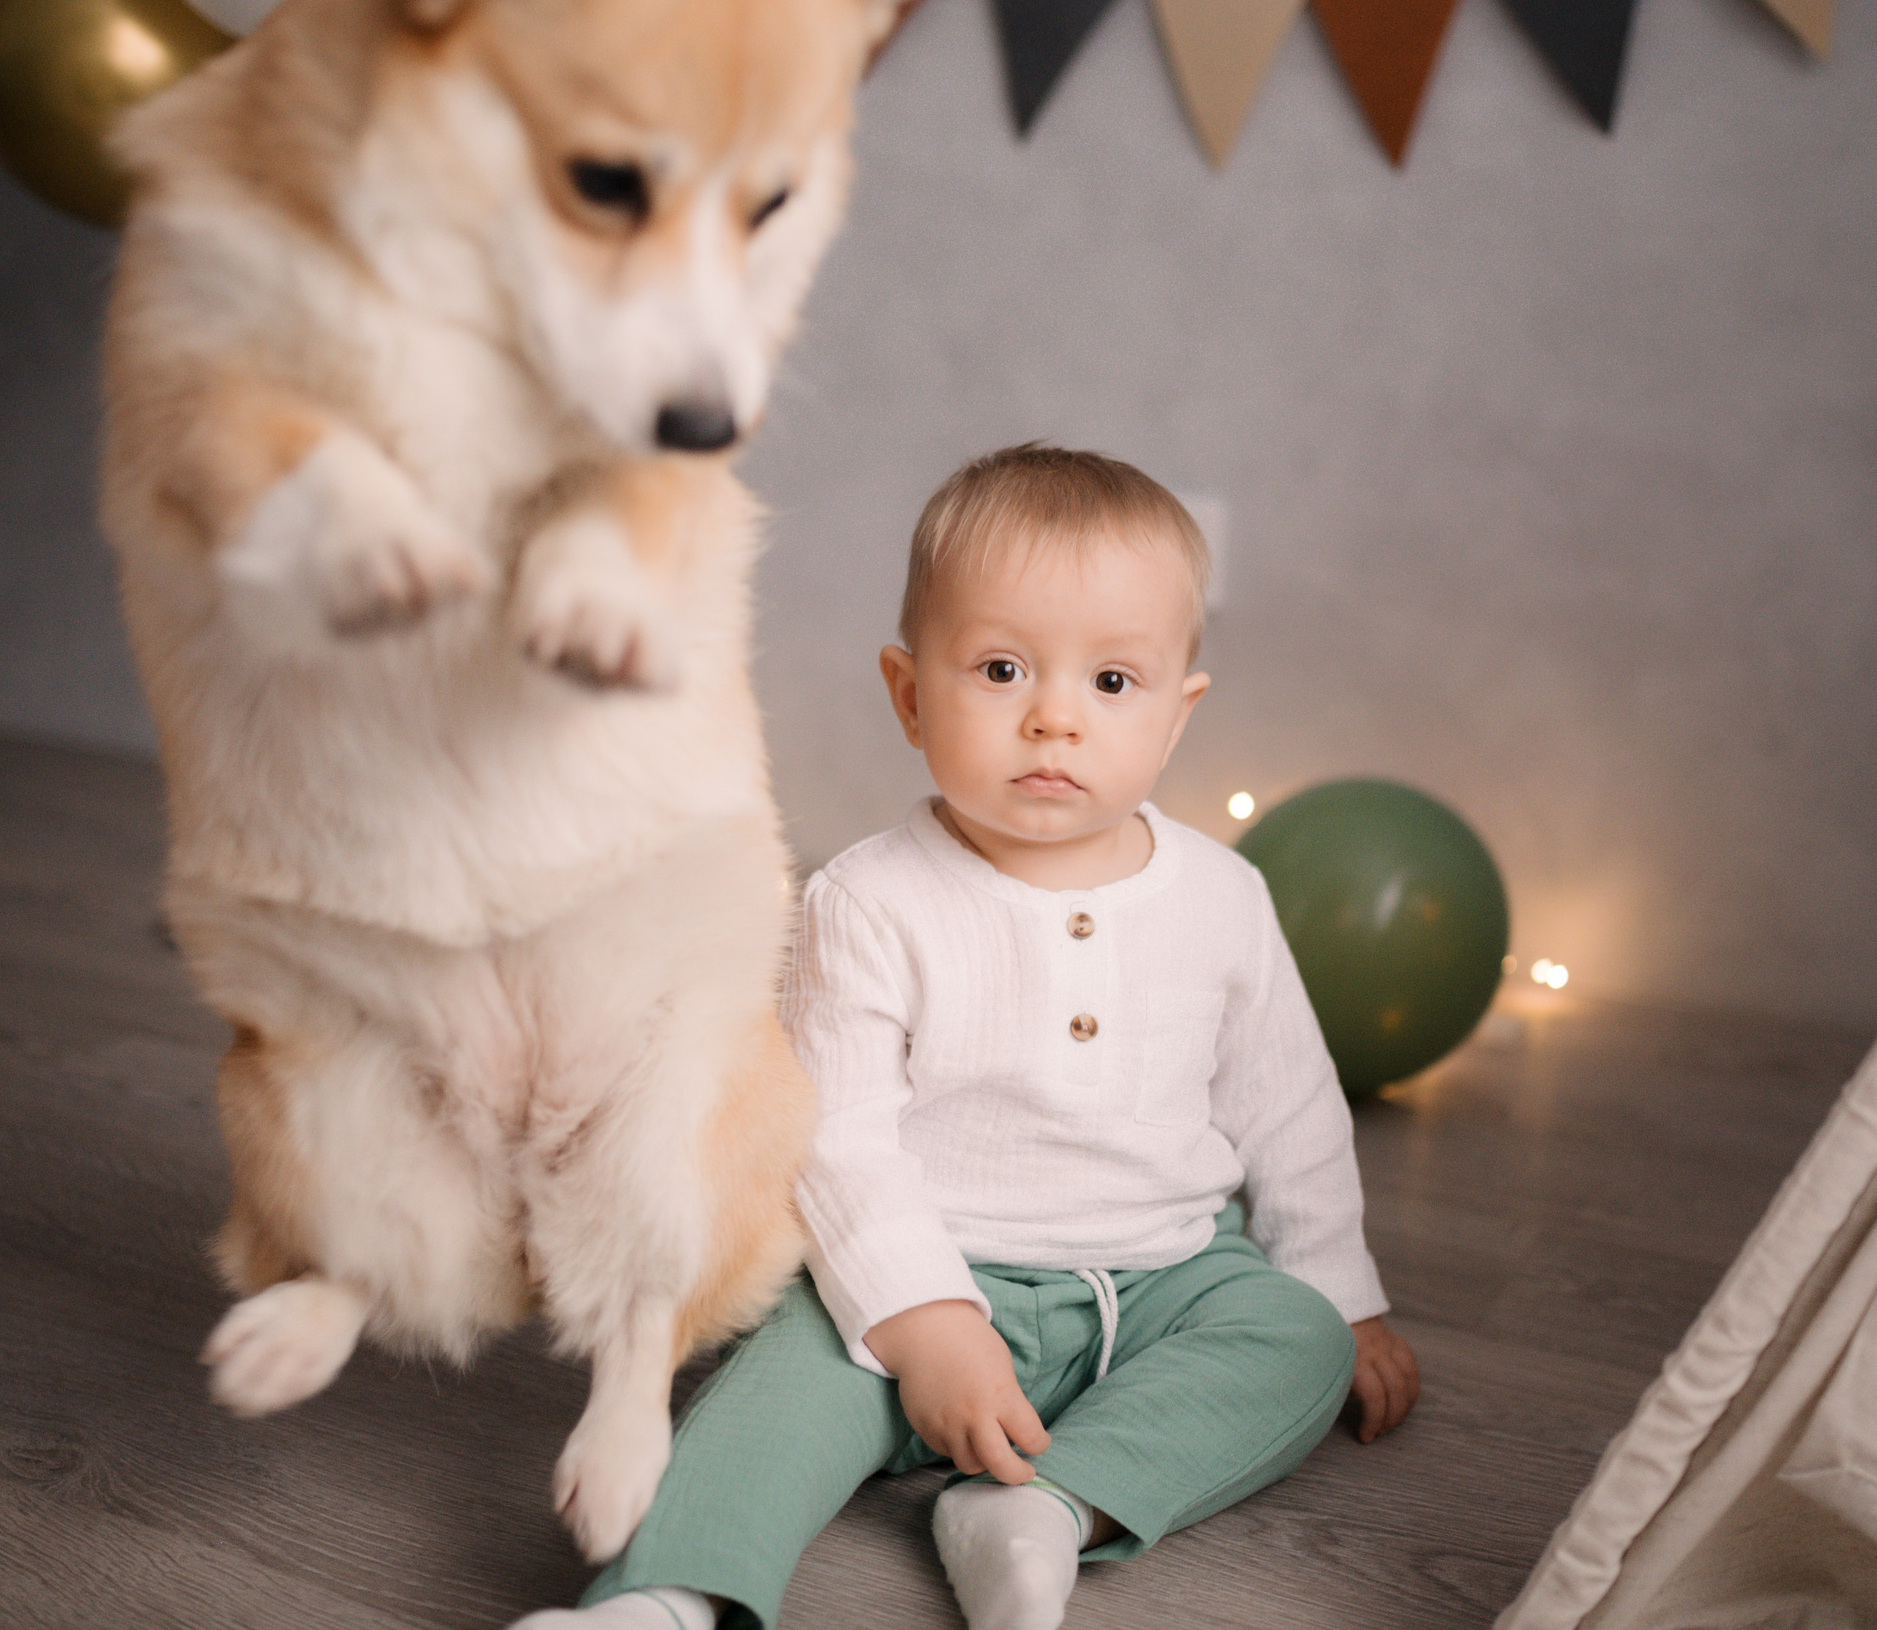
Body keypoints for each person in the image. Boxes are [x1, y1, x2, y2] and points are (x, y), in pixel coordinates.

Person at [523, 445, 1419, 1630]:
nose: (1053, 716)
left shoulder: (1220, 897)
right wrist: (928, 1323)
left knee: (1291, 1341)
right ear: (907, 693)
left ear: (1176, 712)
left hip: (1162, 1270)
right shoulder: (867, 900)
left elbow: (1288, 1102)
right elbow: (836, 1136)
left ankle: (1043, 1508)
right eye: (1001, 669)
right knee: (782, 1383)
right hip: (929, 1271)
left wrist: (1340, 1289)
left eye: (1111, 683)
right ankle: (667, 1595)